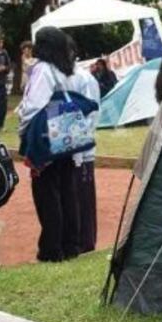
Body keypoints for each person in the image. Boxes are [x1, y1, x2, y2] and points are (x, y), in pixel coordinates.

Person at [17, 28, 92, 262]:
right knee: (68, 191)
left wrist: (23, 128)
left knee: (47, 193)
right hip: (68, 132)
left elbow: (34, 105)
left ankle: (51, 249)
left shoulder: (42, 69)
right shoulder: (71, 70)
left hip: (47, 136)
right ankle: (71, 244)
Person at [70, 48, 101, 253]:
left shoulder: (84, 79)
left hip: (81, 151)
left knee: (83, 198)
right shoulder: (59, 78)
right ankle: (72, 240)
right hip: (63, 151)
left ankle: (85, 243)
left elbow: (90, 115)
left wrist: (78, 147)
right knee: (69, 198)